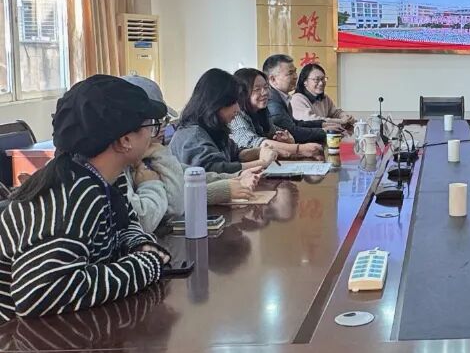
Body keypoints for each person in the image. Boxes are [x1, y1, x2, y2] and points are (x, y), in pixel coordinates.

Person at [0, 75, 171, 320]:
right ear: (125, 140)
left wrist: (138, 245)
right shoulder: (71, 196)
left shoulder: (106, 178)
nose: (154, 134)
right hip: (19, 336)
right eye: (150, 126)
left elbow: (125, 224)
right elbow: (40, 294)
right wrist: (145, 266)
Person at [121, 75, 259, 233]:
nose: (162, 128)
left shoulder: (149, 154)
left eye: (164, 120)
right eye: (154, 122)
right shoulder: (191, 135)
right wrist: (223, 189)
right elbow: (172, 207)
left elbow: (189, 174)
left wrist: (236, 177)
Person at [170, 68, 279, 174]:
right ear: (216, 104)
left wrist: (260, 151)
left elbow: (235, 153)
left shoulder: (214, 128)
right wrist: (262, 163)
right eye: (233, 103)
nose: (238, 109)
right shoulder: (193, 135)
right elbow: (213, 170)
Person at [231, 68, 323, 160]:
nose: (265, 92)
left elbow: (275, 131)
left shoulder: (261, 111)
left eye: (266, 87)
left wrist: (287, 138)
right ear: (242, 93)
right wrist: (299, 149)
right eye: (257, 89)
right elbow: (253, 142)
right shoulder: (235, 115)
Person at [263, 54, 339, 144]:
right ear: (273, 79)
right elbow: (292, 132)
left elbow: (295, 123)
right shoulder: (272, 102)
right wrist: (324, 131)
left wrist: (322, 124)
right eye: (290, 73)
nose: (296, 76)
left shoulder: (281, 97)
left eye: (295, 72)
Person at [291, 63, 355, 127]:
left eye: (323, 79)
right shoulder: (297, 99)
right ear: (305, 82)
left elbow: (336, 112)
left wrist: (346, 116)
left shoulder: (324, 98)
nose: (321, 83)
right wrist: (341, 121)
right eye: (316, 79)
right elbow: (311, 120)